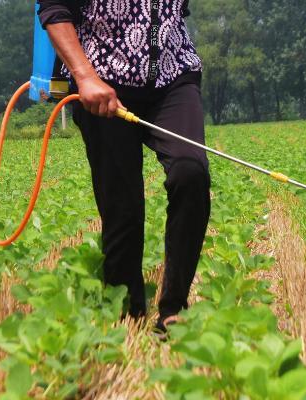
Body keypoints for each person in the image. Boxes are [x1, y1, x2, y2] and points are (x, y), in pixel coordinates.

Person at [37, 0, 211, 334]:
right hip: (103, 83)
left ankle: (174, 309)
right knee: (123, 208)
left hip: (174, 75)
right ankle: (125, 314)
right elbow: (55, 9)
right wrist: (85, 77)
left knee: (191, 172)